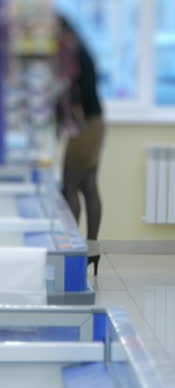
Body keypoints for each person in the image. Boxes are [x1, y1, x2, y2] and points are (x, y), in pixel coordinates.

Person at [57, 15, 106, 275]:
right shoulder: (80, 50)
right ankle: (91, 249)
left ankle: (73, 254)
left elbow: (72, 96)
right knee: (88, 186)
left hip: (85, 126)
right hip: (95, 123)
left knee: (69, 188)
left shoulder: (71, 54)